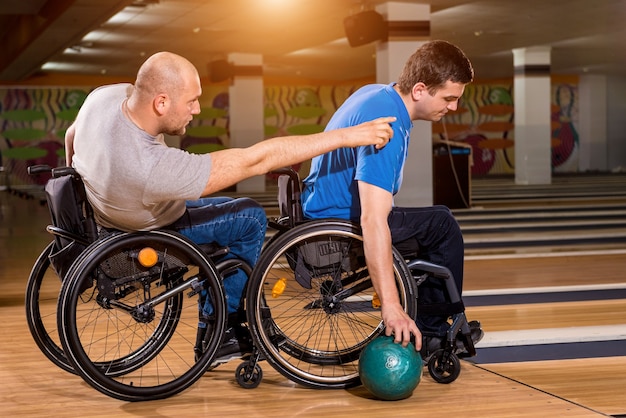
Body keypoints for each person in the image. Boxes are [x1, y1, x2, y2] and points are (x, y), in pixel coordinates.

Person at [64, 51, 396, 366]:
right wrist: (348, 136)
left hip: (110, 219)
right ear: (161, 102)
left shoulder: (102, 100)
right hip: (153, 230)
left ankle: (220, 295)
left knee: (225, 209)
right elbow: (257, 159)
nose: (196, 109)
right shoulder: (151, 166)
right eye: (191, 101)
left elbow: (71, 135)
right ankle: (220, 329)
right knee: (248, 216)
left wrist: (93, 198)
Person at [301, 40, 483, 359]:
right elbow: (372, 220)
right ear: (420, 90)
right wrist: (391, 305)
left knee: (433, 219)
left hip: (320, 208)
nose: (453, 108)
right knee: (442, 225)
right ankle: (431, 332)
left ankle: (430, 322)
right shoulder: (388, 125)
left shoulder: (378, 94)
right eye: (449, 98)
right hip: (336, 221)